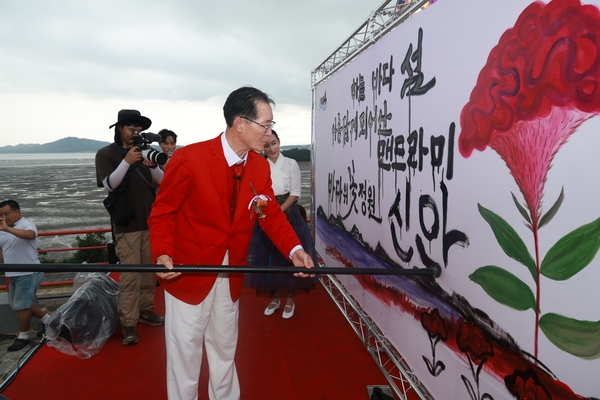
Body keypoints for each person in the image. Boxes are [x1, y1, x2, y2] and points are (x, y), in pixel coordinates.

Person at [148, 86, 315, 400]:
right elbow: (162, 213)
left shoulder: (258, 165)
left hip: (231, 272)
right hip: (188, 271)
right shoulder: (189, 158)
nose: (270, 132)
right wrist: (162, 253)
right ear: (240, 123)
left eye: (271, 125)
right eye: (265, 125)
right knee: (185, 353)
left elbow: (269, 214)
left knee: (225, 348)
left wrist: (295, 249)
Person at [95, 109, 165, 346]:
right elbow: (109, 185)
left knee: (148, 274)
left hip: (150, 221)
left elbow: (162, 181)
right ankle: (128, 323)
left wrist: (151, 163)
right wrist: (126, 162)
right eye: (130, 127)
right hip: (127, 226)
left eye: (139, 128)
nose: (135, 131)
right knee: (130, 276)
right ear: (119, 129)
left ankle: (145, 310)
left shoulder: (146, 150)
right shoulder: (106, 154)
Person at [246, 130, 319, 319]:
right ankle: (274, 298)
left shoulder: (291, 164)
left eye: (274, 143)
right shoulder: (260, 165)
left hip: (287, 212)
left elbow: (295, 193)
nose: (271, 148)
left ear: (280, 142)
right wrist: (267, 210)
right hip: (267, 213)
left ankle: (289, 300)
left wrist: (277, 211)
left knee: (288, 258)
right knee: (268, 261)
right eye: (267, 145)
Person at [0, 199, 51, 352]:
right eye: (1, 214)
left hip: (28, 272)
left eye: (6, 214)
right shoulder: (2, 229)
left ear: (17, 212)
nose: (4, 217)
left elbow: (30, 235)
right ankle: (49, 320)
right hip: (12, 273)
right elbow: (3, 250)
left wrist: (8, 229)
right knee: (21, 304)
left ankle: (23, 336)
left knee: (21, 306)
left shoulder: (26, 224)